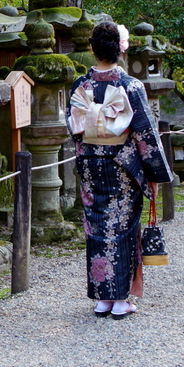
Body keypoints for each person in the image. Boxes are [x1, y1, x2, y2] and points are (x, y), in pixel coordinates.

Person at [65, 21, 173, 319]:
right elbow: (145, 135)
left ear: (92, 49)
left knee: (97, 227)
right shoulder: (130, 86)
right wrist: (155, 175)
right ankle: (121, 300)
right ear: (121, 49)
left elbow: (74, 128)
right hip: (123, 168)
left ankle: (102, 298)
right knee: (123, 229)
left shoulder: (81, 86)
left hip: (91, 165)